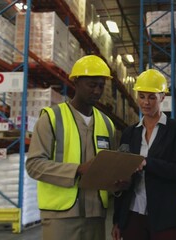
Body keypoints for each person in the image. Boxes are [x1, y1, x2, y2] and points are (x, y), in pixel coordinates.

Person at [26, 55, 115, 240]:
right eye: (92, 85)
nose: (97, 91)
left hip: (96, 215)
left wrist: (118, 182)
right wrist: (77, 170)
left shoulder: (107, 124)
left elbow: (109, 168)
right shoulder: (51, 118)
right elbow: (34, 165)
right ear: (75, 82)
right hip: (61, 216)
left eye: (101, 85)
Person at [111, 69, 176, 240]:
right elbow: (122, 178)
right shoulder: (129, 133)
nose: (146, 102)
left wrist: (147, 163)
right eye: (142, 96)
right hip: (133, 214)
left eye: (152, 97)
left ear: (162, 97)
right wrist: (117, 220)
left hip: (165, 216)